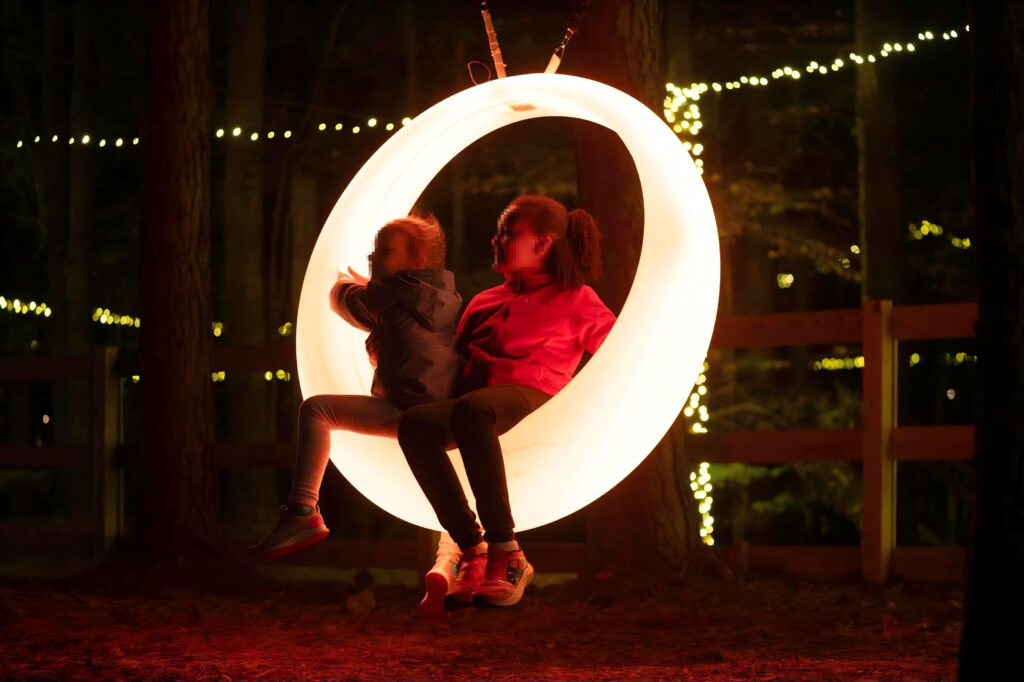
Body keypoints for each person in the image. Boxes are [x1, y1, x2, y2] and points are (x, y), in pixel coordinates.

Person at [398, 195, 616, 615]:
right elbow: (452, 366)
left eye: (509, 234)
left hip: (535, 394)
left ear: (544, 244)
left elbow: (619, 355)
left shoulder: (577, 298)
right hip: (477, 404)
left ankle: (508, 551)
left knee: (472, 410)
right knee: (417, 424)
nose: (496, 240)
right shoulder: (482, 300)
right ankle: (471, 546)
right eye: (498, 232)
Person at [250, 214, 465, 588]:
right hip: (443, 411)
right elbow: (399, 311)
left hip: (404, 407)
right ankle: (452, 556)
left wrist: (339, 282)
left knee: (317, 410)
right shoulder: (450, 298)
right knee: (453, 474)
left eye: (384, 251)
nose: (372, 256)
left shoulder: (385, 296)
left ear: (415, 259)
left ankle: (302, 512)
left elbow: (345, 302)